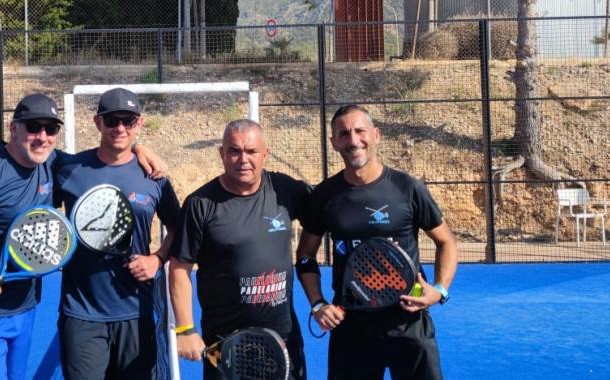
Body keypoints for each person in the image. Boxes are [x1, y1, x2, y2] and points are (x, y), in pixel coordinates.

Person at [0, 93, 164, 380]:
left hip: (24, 308)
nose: (42, 136)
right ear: (13, 128)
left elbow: (111, 155)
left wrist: (139, 148)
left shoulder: (51, 163)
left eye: (51, 129)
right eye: (33, 127)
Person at [296, 104, 459, 380]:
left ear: (376, 135)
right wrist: (317, 304)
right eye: (344, 134)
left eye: (360, 131)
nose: (353, 140)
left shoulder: (408, 188)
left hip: (408, 319)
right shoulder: (324, 196)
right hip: (351, 325)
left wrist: (440, 290)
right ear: (334, 142)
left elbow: (446, 242)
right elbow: (304, 256)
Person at [53, 87, 181, 380]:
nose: (120, 128)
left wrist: (158, 260)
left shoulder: (154, 177)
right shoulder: (67, 168)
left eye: (129, 120)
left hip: (137, 313)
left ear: (140, 123)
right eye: (112, 120)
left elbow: (177, 227)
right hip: (81, 313)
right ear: (98, 123)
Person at [169, 119, 309, 380]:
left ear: (265, 154)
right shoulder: (200, 204)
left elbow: (331, 209)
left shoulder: (285, 190)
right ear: (222, 154)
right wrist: (185, 329)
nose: (243, 159)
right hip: (222, 345)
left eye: (252, 151)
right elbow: (179, 268)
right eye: (234, 151)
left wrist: (306, 253)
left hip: (284, 340)